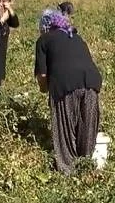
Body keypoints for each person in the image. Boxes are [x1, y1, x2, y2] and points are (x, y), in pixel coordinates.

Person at [35, 9, 103, 175]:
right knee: (87, 126)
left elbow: (42, 74)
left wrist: (44, 89)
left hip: (64, 83)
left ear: (45, 27)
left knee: (64, 129)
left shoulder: (43, 40)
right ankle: (86, 166)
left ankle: (69, 171)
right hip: (91, 82)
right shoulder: (76, 37)